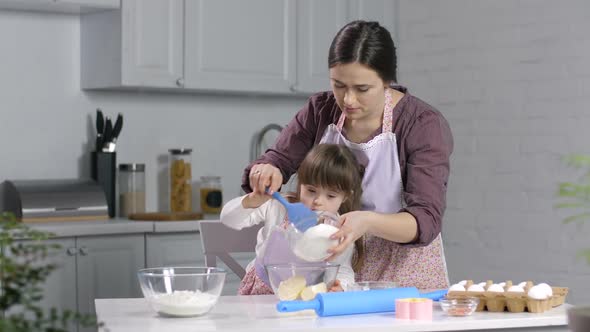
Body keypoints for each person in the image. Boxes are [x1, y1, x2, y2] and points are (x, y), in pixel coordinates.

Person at [243, 20, 453, 290]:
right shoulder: (320, 110)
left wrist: (366, 221)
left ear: (388, 82)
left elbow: (425, 219)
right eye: (339, 85)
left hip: (399, 272)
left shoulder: (422, 124)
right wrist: (267, 169)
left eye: (362, 89)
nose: (348, 100)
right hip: (330, 267)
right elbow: (278, 160)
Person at [222, 143, 365, 295]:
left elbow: (343, 272)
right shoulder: (278, 207)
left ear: (345, 197)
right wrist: (251, 201)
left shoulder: (340, 231)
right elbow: (228, 219)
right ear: (300, 183)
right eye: (311, 190)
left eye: (330, 196)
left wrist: (341, 285)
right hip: (260, 293)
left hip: (302, 297)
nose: (318, 201)